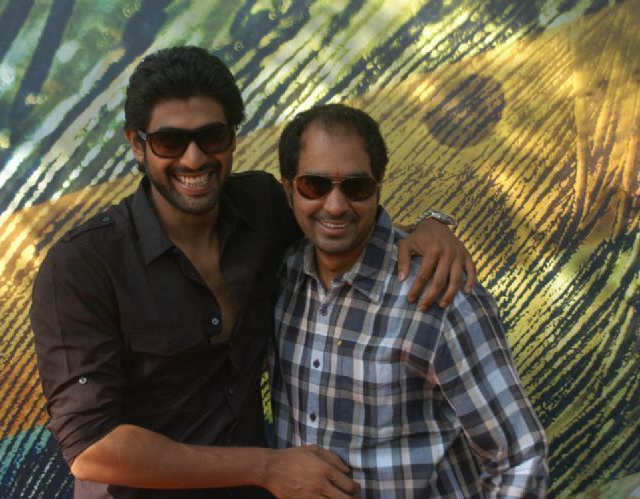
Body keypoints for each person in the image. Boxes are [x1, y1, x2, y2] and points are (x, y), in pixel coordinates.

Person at [30, 46, 475, 499]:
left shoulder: (263, 206)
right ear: (137, 145)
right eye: (169, 142)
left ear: (232, 138)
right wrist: (266, 467)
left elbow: (339, 217)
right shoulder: (82, 266)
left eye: (212, 136)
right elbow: (93, 447)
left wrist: (429, 227)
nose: (193, 159)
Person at [271, 103, 549, 498]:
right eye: (314, 186)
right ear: (288, 189)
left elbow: (520, 458)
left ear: (378, 186)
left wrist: (435, 222)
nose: (335, 205)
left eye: (356, 187)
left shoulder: (437, 292)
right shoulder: (282, 277)